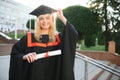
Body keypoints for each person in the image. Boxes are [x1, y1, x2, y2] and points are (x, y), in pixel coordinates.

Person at [9, 5, 78, 80]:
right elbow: (15, 53)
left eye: (47, 18)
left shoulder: (58, 38)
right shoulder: (29, 38)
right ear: (38, 21)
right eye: (41, 18)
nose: (45, 21)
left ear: (52, 19)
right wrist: (24, 56)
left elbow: (72, 34)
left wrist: (62, 17)